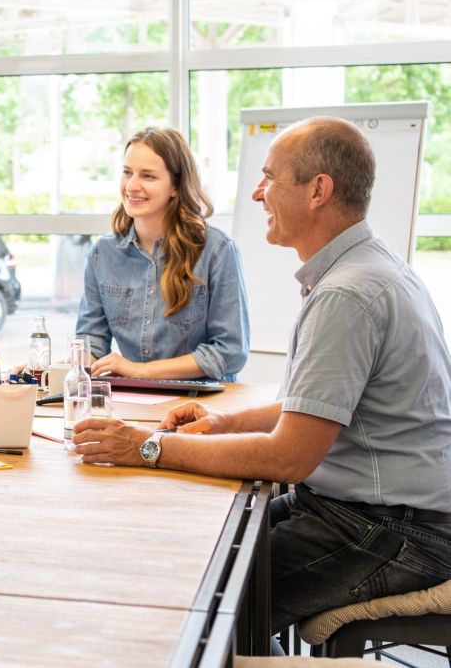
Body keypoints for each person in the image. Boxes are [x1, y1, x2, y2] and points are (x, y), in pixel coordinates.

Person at [73, 116, 451, 635]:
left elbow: (289, 457)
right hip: (364, 509)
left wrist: (145, 447)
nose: (257, 192)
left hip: (386, 527)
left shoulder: (347, 293)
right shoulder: (366, 267)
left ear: (318, 190)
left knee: (190, 604)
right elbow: (316, 405)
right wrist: (223, 423)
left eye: (270, 177)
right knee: (193, 552)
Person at [75, 125, 249, 382]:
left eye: (148, 176)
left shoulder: (217, 250)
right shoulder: (103, 253)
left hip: (202, 406)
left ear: (175, 187)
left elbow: (230, 351)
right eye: (127, 172)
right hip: (135, 402)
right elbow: (92, 345)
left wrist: (142, 371)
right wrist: (45, 370)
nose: (132, 185)